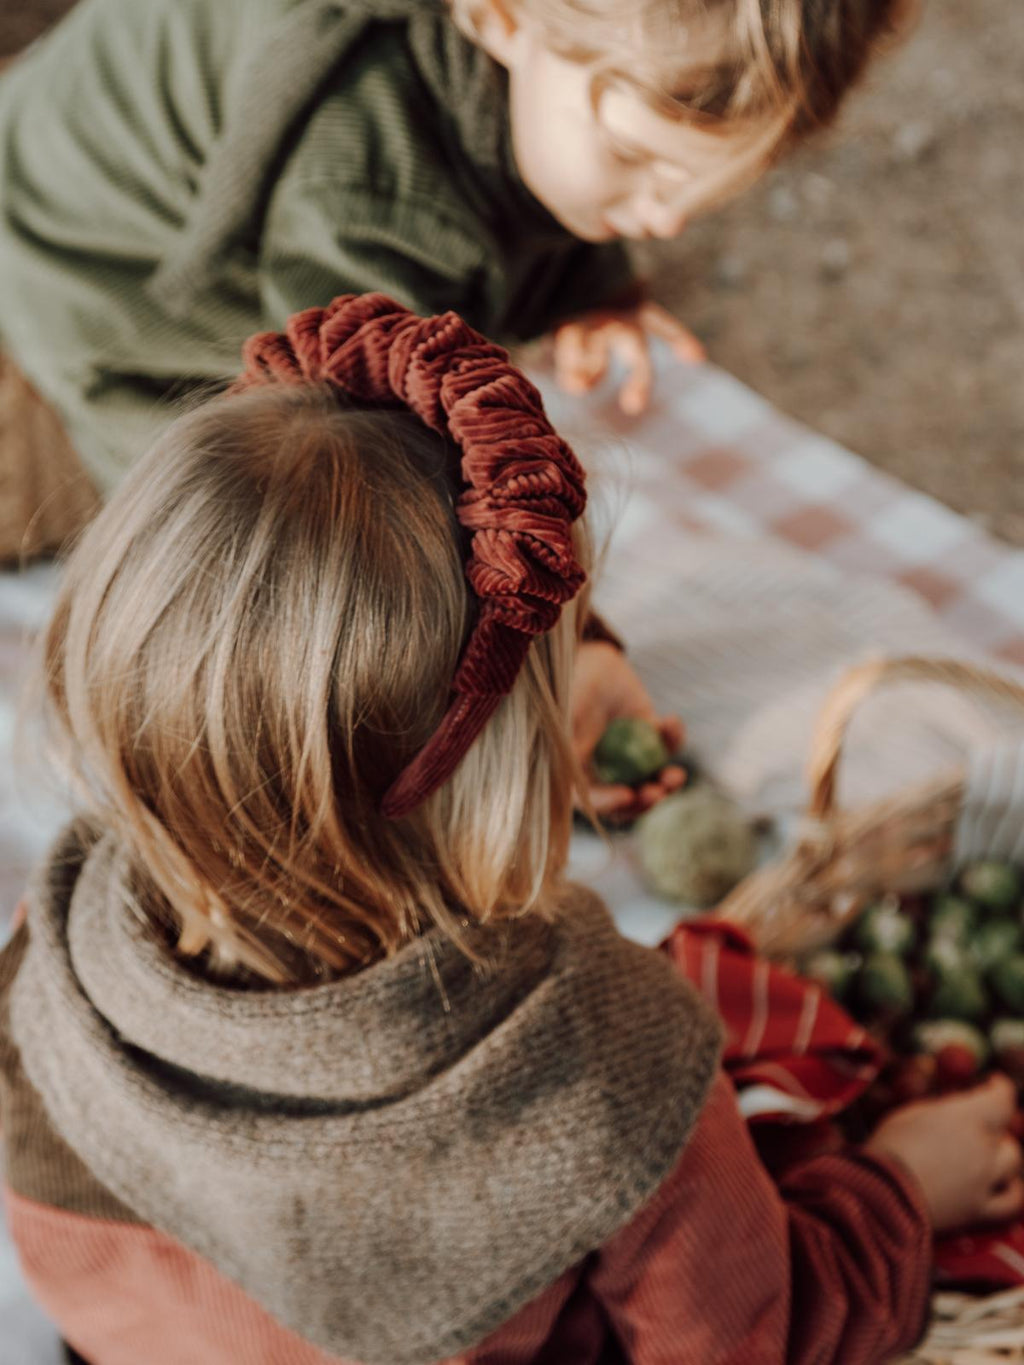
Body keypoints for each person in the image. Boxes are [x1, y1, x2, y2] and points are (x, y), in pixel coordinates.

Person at [1, 294, 1019, 1365]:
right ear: (505, 774)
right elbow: (736, 1340)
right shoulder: (599, 1049)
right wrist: (899, 1189)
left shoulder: (46, 958)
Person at [0, 0, 909, 555]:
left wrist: (591, 282)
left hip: (138, 167)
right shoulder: (372, 190)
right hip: (75, 269)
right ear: (503, 18)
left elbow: (510, 159)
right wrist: (561, 633)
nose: (668, 218)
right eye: (635, 156)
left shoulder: (556, 47)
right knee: (232, 545)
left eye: (708, 182)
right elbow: (364, 440)